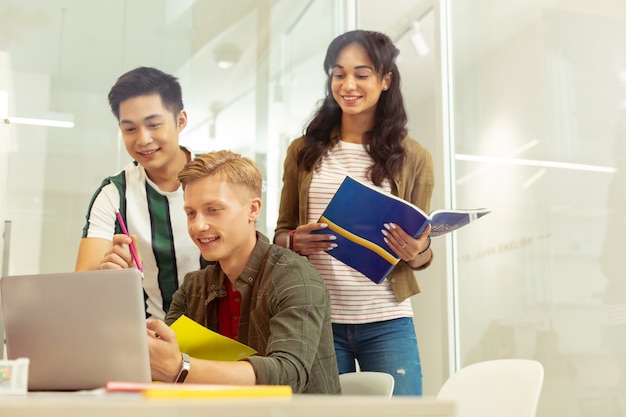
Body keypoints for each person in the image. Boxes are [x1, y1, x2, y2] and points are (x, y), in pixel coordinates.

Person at [274, 30, 434, 396]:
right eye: (339, 73)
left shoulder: (415, 157)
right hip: (318, 317)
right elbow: (280, 234)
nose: (348, 84)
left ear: (385, 80)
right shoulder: (303, 152)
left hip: (387, 319)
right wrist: (294, 240)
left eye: (361, 74)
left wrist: (416, 251)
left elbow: (422, 246)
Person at [146, 150, 340, 393]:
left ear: (253, 209)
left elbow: (288, 374)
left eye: (214, 209)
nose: (198, 225)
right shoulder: (193, 287)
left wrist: (180, 368)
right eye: (191, 213)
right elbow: (161, 362)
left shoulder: (294, 276)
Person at [75, 67, 203, 320]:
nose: (143, 140)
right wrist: (110, 273)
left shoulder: (219, 177)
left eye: (153, 125)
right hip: (149, 340)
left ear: (180, 120)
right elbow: (84, 283)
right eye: (130, 129)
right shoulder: (114, 194)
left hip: (222, 339)